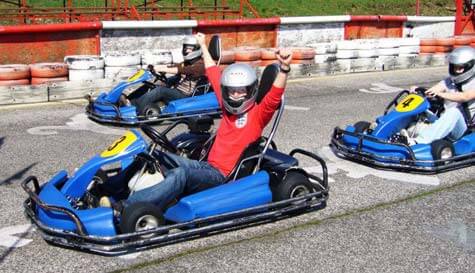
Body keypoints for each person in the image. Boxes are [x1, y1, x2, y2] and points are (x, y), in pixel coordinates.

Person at [110, 33, 293, 211]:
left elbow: (274, 96)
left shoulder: (258, 115)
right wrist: (203, 45)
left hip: (221, 176)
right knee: (153, 155)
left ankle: (126, 207)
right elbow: (212, 72)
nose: (235, 95)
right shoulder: (227, 107)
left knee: (180, 174)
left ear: (251, 91)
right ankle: (108, 189)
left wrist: (284, 68)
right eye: (232, 91)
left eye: (241, 91)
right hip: (205, 165)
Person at [405, 46, 475, 145]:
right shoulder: (450, 81)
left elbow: (465, 97)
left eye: (461, 68)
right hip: (445, 122)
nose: (457, 71)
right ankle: (391, 131)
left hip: (464, 130)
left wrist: (441, 94)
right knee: (420, 107)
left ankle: (417, 142)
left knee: (454, 112)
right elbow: (434, 90)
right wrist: (418, 90)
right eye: (455, 67)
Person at [125, 36, 208, 115]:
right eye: (185, 48)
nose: (186, 51)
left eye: (190, 48)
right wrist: (154, 67)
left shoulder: (200, 65)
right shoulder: (188, 63)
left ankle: (136, 109)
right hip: (177, 91)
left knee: (160, 90)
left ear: (197, 49)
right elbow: (173, 67)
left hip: (186, 97)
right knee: (151, 85)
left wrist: (161, 69)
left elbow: (180, 70)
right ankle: (128, 102)